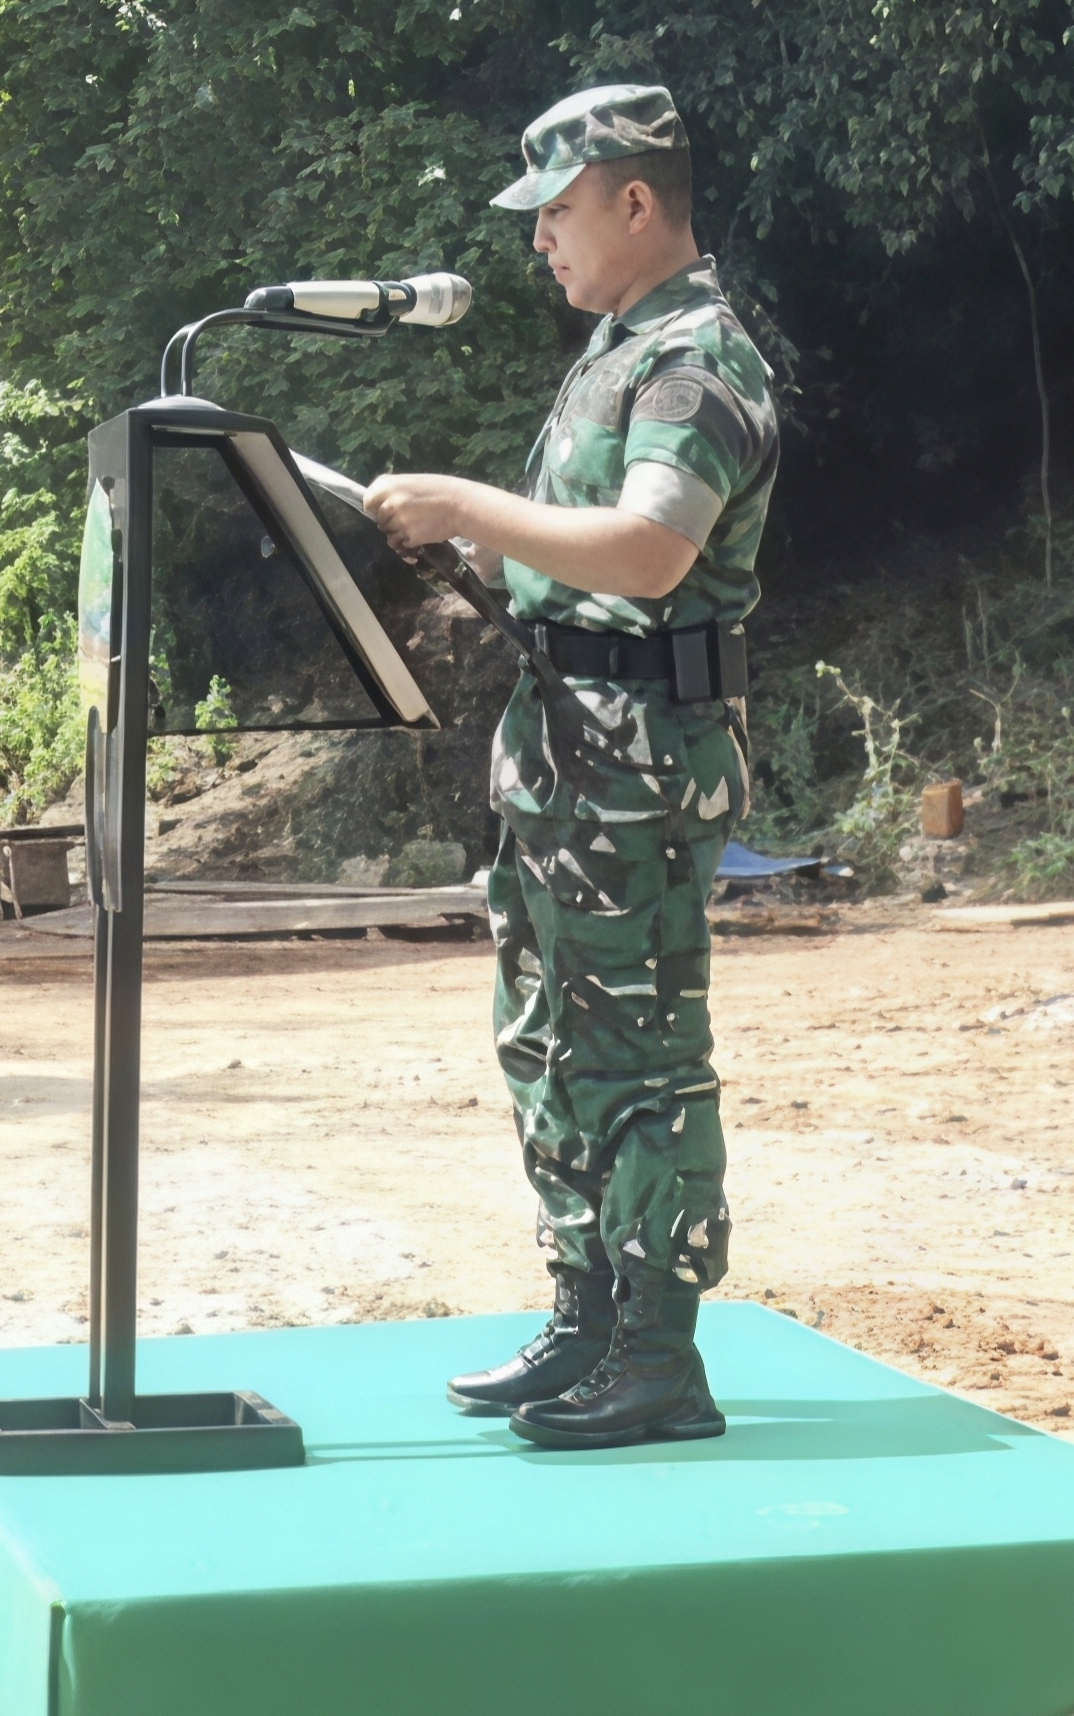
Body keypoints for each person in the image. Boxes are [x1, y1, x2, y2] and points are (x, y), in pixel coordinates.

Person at [366, 84, 779, 1450]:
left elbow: (653, 551)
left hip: (639, 764)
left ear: (636, 201)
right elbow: (574, 550)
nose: (539, 240)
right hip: (559, 754)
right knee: (548, 1042)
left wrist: (472, 504)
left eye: (556, 211)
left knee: (640, 1056)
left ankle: (660, 1359)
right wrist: (470, 549)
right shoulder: (614, 351)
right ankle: (588, 1320)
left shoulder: (697, 358)